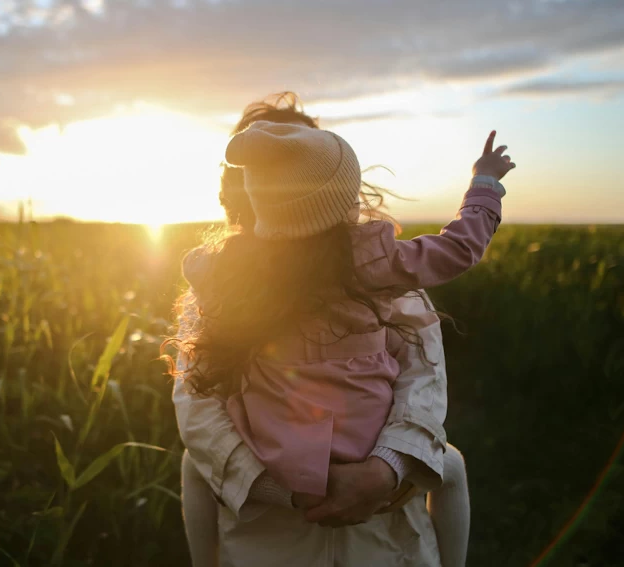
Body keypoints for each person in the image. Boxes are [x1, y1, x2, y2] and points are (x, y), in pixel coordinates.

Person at [171, 93, 513, 566]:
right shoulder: (375, 266)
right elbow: (197, 405)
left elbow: (423, 377)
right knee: (450, 465)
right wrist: (485, 186)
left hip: (385, 534)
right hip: (265, 537)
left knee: (448, 463)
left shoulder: (233, 276)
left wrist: (386, 470)